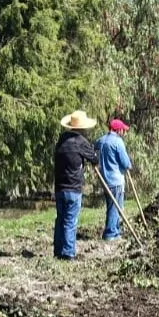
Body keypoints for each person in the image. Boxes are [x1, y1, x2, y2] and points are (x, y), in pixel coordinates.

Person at [52, 110, 98, 260]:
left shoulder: (61, 141)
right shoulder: (81, 142)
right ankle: (68, 253)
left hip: (59, 187)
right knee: (70, 220)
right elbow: (93, 158)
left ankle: (58, 251)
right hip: (73, 187)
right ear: (82, 128)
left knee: (60, 219)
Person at [95, 119, 133, 241]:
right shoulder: (118, 142)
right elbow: (125, 162)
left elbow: (94, 147)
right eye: (123, 130)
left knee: (112, 206)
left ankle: (115, 231)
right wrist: (128, 165)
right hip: (116, 179)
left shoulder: (101, 140)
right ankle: (111, 234)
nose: (124, 132)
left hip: (105, 180)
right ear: (119, 130)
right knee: (115, 207)